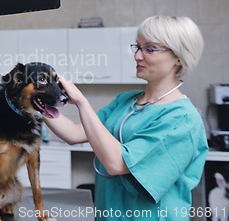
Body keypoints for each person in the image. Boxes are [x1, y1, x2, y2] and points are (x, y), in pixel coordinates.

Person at [46, 16, 208, 221]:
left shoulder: (182, 119)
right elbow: (74, 133)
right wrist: (36, 101)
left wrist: (81, 102)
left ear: (179, 57)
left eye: (149, 49)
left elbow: (117, 163)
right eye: (137, 47)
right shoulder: (126, 101)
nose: (137, 56)